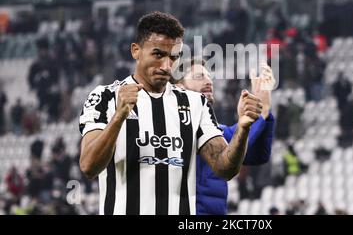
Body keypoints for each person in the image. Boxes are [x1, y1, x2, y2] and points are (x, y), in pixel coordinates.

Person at [78, 11, 263, 215]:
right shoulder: (105, 97)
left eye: (173, 57)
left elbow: (225, 168)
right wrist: (119, 117)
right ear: (136, 51)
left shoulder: (196, 103)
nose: (167, 66)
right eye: (158, 54)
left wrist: (243, 128)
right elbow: (89, 166)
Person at [175, 59, 275, 215]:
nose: (209, 81)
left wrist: (262, 112)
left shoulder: (216, 130)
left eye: (209, 77)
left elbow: (257, 155)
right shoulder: (169, 125)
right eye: (199, 76)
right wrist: (261, 113)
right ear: (179, 86)